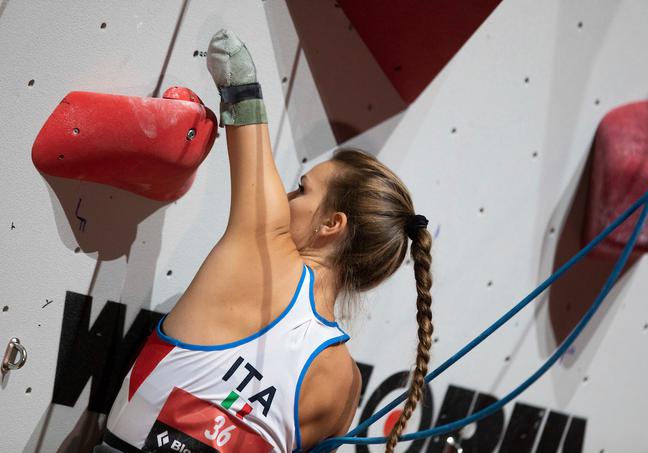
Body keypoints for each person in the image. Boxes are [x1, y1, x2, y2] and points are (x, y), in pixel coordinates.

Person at [94, 29, 432, 453]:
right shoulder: (346, 386)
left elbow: (233, 63)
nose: (286, 198)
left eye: (302, 189)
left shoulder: (266, 255)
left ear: (332, 224)